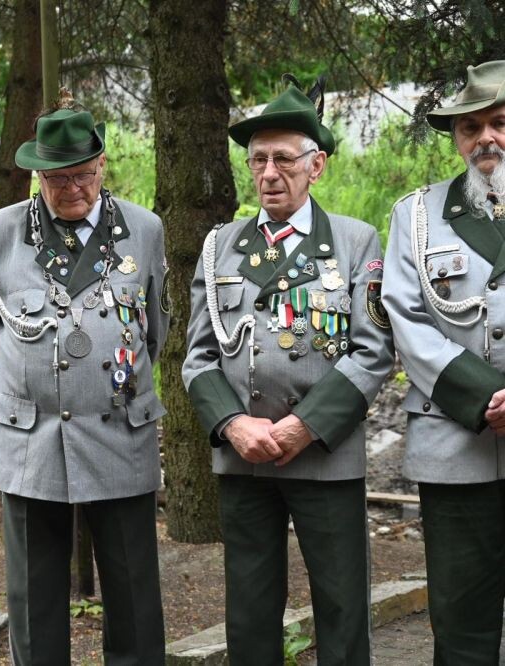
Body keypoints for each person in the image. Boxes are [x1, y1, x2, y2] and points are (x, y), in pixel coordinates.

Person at [182, 80, 394, 665]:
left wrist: (303, 426)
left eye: (283, 158)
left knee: (342, 605)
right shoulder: (220, 246)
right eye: (258, 160)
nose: (269, 173)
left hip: (324, 453)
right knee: (249, 609)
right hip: (244, 459)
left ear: (316, 165)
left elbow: (374, 350)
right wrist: (232, 424)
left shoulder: (355, 241)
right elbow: (198, 355)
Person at [0, 102, 169, 665]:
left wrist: (99, 390)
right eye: (57, 177)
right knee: (34, 601)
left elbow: (155, 332)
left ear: (102, 166)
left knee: (133, 597)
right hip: (31, 444)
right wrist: (36, 394)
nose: (72, 187)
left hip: (120, 436)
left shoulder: (143, 229)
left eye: (83, 173)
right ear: (38, 175)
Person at [383, 60, 505, 664]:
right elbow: (406, 317)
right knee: (460, 620)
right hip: (456, 442)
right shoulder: (418, 214)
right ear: (457, 139)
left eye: (501, 122)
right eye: (472, 127)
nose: (486, 138)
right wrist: (485, 397)